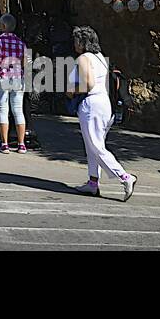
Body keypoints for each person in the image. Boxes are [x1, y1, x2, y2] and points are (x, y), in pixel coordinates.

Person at [66, 26, 136, 200]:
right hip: (105, 104)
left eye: (76, 40)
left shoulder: (84, 58)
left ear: (82, 42)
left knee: (96, 146)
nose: (74, 44)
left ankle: (125, 177)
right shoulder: (100, 58)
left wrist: (71, 91)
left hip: (92, 104)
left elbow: (88, 84)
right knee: (93, 145)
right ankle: (92, 183)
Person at [0, 14, 28, 153]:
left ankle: (4, 144)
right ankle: (21, 144)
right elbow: (24, 62)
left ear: (4, 26)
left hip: (1, 76)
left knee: (3, 110)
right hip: (17, 77)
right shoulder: (21, 43)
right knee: (18, 109)